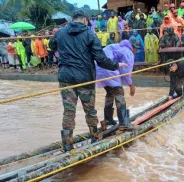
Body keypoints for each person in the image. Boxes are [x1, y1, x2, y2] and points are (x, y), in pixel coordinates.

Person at [49, 9, 127, 152]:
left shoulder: (60, 33)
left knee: (68, 111)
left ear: (72, 19)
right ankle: (95, 138)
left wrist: (61, 52)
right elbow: (101, 59)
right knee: (90, 110)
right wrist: (116, 65)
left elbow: (51, 45)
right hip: (84, 77)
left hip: (65, 77)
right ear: (85, 19)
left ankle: (67, 144)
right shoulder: (89, 34)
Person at [96, 38, 140, 131]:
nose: (136, 51)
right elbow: (126, 71)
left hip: (98, 69)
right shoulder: (128, 52)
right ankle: (124, 123)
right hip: (108, 68)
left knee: (110, 92)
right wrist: (131, 85)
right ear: (133, 47)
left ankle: (108, 119)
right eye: (136, 48)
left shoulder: (117, 47)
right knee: (119, 93)